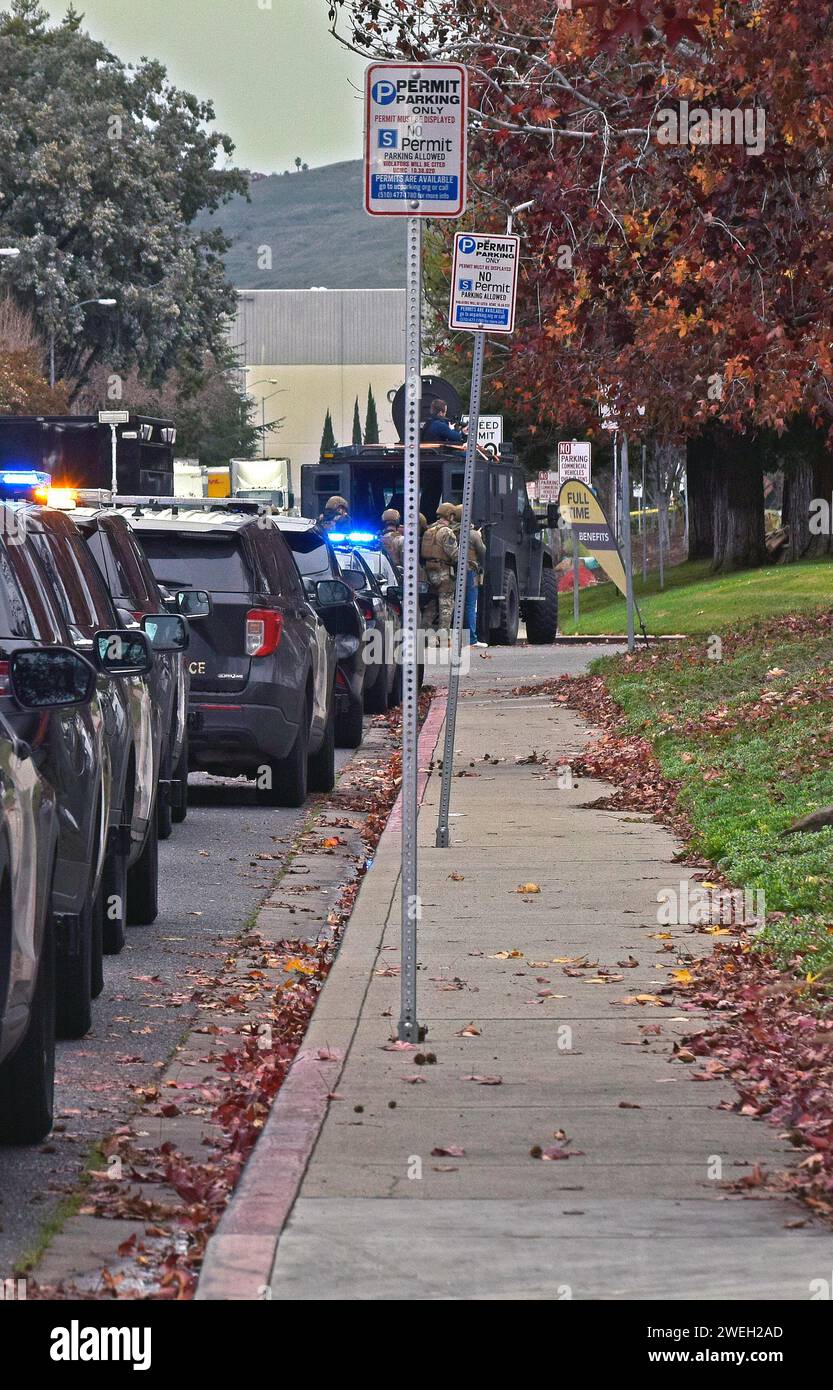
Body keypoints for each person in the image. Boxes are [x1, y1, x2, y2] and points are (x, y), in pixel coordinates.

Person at [451, 504, 487, 645]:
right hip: (469, 571)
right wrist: (479, 536)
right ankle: (472, 639)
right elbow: (483, 551)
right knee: (471, 605)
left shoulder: (451, 531)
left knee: (456, 605)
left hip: (454, 571)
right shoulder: (471, 534)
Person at [420, 502, 459, 631]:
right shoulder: (447, 532)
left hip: (429, 571)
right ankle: (443, 634)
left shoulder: (429, 530)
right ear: (450, 516)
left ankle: (424, 630)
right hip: (443, 571)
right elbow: (454, 555)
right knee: (445, 604)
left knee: (432, 603)